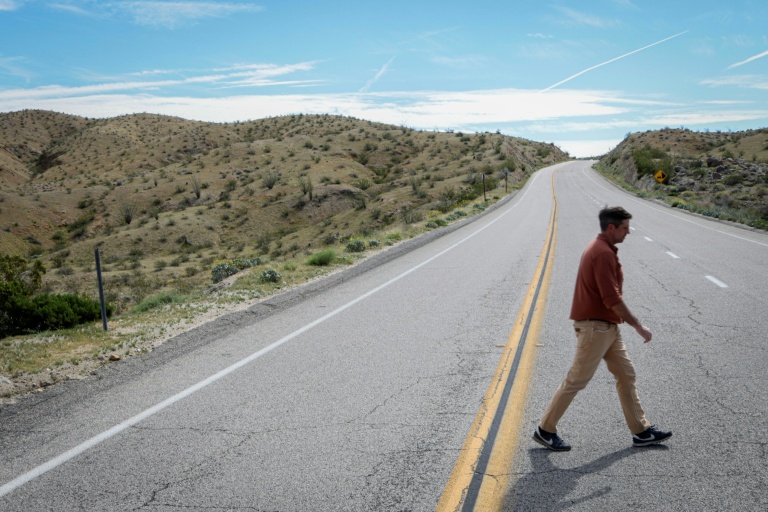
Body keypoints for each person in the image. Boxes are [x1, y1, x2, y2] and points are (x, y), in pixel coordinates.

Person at [533, 206, 671, 451]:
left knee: (626, 374)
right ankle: (545, 429)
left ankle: (641, 431)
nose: (628, 233)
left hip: (606, 327)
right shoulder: (602, 253)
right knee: (576, 380)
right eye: (625, 228)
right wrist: (639, 326)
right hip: (595, 328)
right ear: (611, 227)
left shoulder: (602, 249)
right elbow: (612, 298)